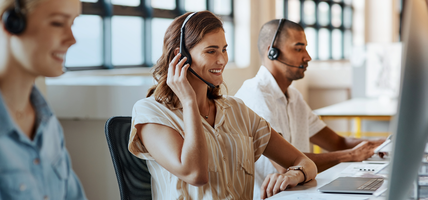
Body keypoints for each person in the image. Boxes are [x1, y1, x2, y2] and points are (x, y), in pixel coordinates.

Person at [128, 11, 317, 200]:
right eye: (211, 51)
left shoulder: (238, 110)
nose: (222, 60)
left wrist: (294, 173)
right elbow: (195, 174)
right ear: (181, 56)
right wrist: (189, 102)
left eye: (224, 49)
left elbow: (305, 163)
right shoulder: (151, 113)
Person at [234, 19, 385, 200]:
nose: (307, 57)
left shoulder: (294, 96)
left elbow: (337, 143)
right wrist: (351, 155)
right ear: (272, 52)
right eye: (298, 49)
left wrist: (379, 144)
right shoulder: (255, 96)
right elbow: (286, 166)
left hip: (301, 194)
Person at [0, 0, 87, 199]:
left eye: (72, 24)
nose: (72, 39)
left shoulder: (47, 123)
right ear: (11, 23)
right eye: (58, 23)